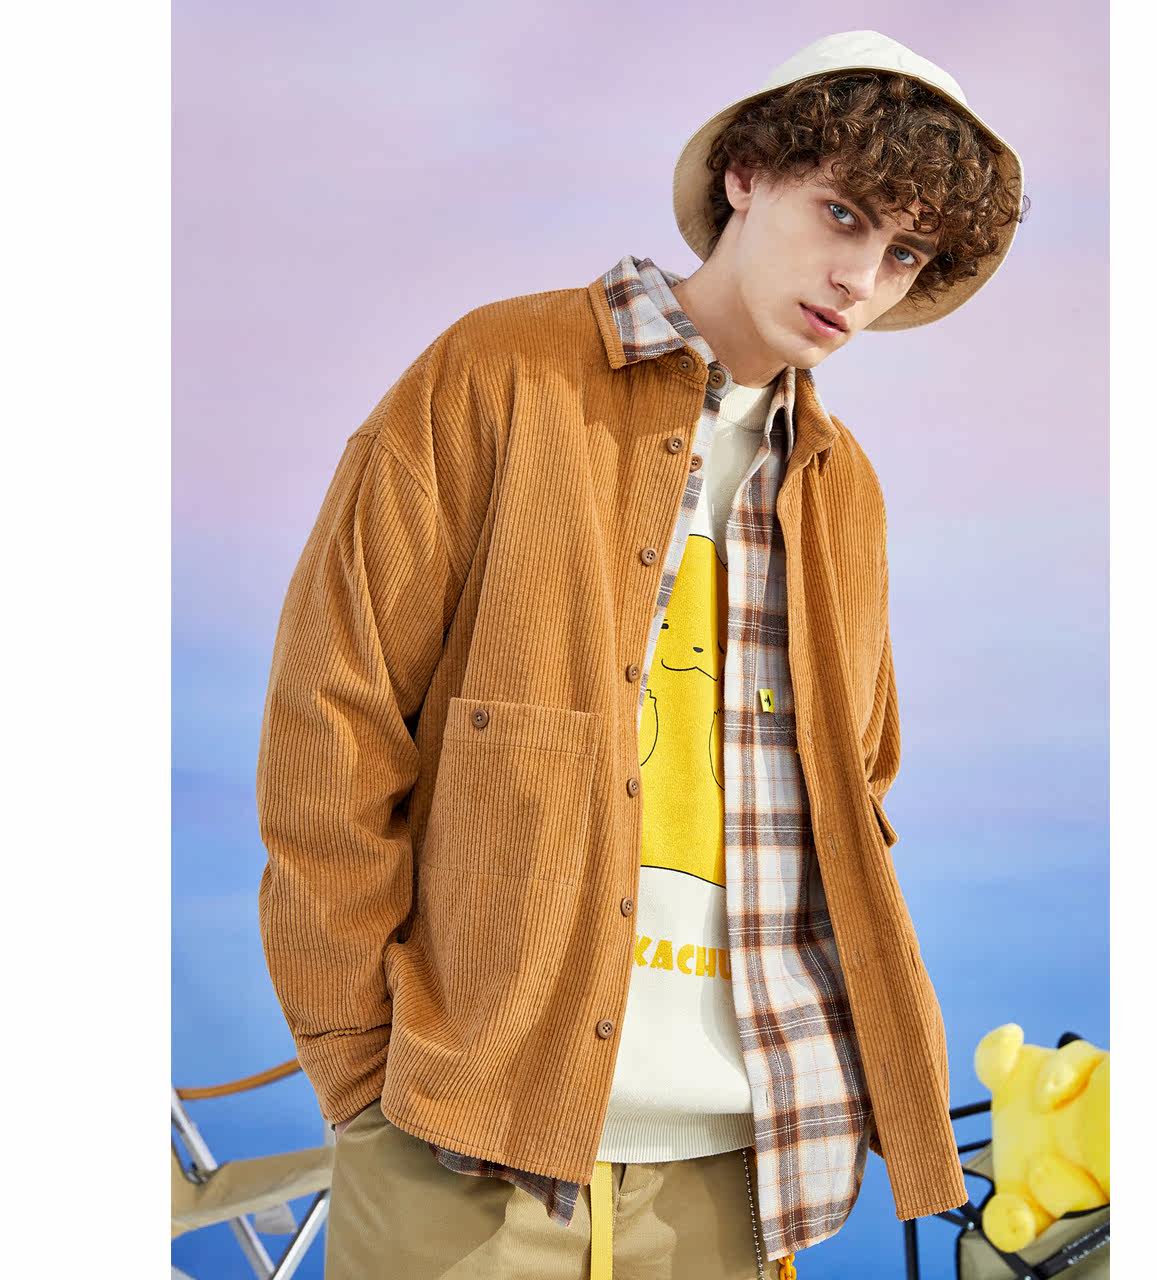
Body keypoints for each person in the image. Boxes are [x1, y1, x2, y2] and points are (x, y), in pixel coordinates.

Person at [255, 29, 1027, 1280]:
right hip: (466, 1137)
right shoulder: (498, 372)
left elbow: (857, 788)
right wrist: (355, 1064)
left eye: (901, 254)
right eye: (840, 213)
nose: (859, 277)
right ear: (745, 175)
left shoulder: (844, 490)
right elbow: (331, 719)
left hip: (746, 1155)